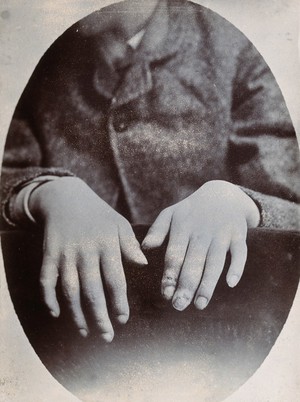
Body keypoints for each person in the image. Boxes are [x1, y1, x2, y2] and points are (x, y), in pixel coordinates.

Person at [1, 0, 299, 343]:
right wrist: (44, 192)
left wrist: (238, 203)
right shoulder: (24, 53)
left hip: (218, 330)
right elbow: (7, 173)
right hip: (62, 333)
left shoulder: (234, 46)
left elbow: (290, 204)